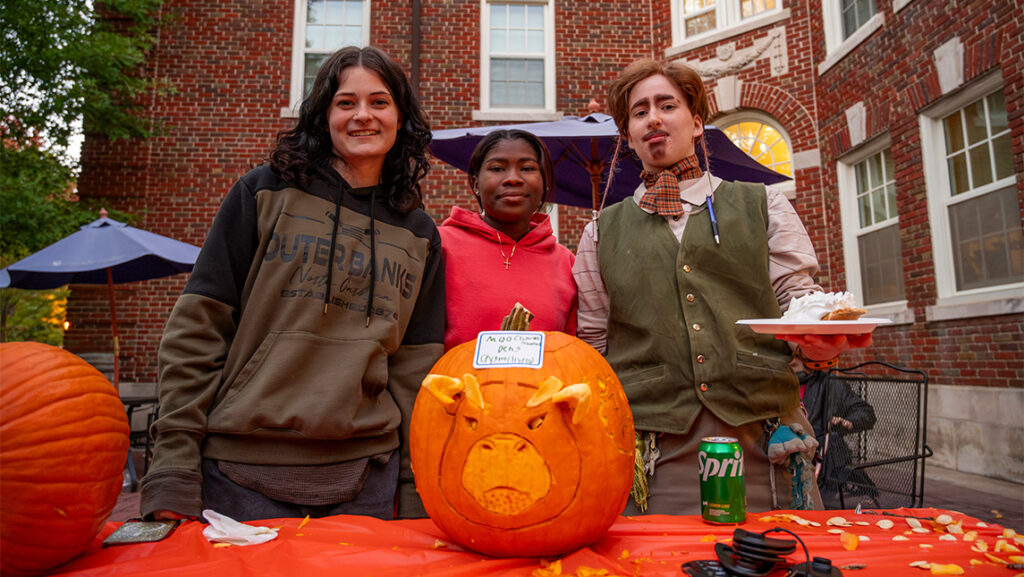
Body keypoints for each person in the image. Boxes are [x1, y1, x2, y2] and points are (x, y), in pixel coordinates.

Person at [140, 46, 445, 522]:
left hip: (369, 476)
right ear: (323, 115)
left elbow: (414, 372)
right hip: (241, 469)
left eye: (379, 102)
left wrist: (415, 490)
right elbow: (197, 333)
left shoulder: (419, 232)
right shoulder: (263, 193)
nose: (363, 115)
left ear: (401, 117)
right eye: (346, 103)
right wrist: (173, 469)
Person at [572, 58, 871, 515]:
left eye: (666, 105)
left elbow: (799, 305)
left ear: (695, 123)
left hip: (767, 435)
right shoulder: (600, 232)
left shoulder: (763, 202)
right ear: (628, 138)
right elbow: (593, 343)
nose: (653, 117)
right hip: (655, 448)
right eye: (638, 112)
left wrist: (821, 342)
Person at [438, 129, 577, 350]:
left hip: (546, 384)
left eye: (528, 168)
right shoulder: (439, 246)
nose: (513, 178)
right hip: (455, 383)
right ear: (475, 183)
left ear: (545, 183)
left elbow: (574, 351)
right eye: (497, 168)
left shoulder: (567, 263)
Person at [795, 358, 878, 509]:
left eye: (796, 355)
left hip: (818, 450)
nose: (792, 360)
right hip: (783, 448)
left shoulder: (830, 383)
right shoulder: (775, 383)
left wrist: (848, 422)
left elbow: (865, 412)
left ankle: (818, 503)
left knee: (832, 441)